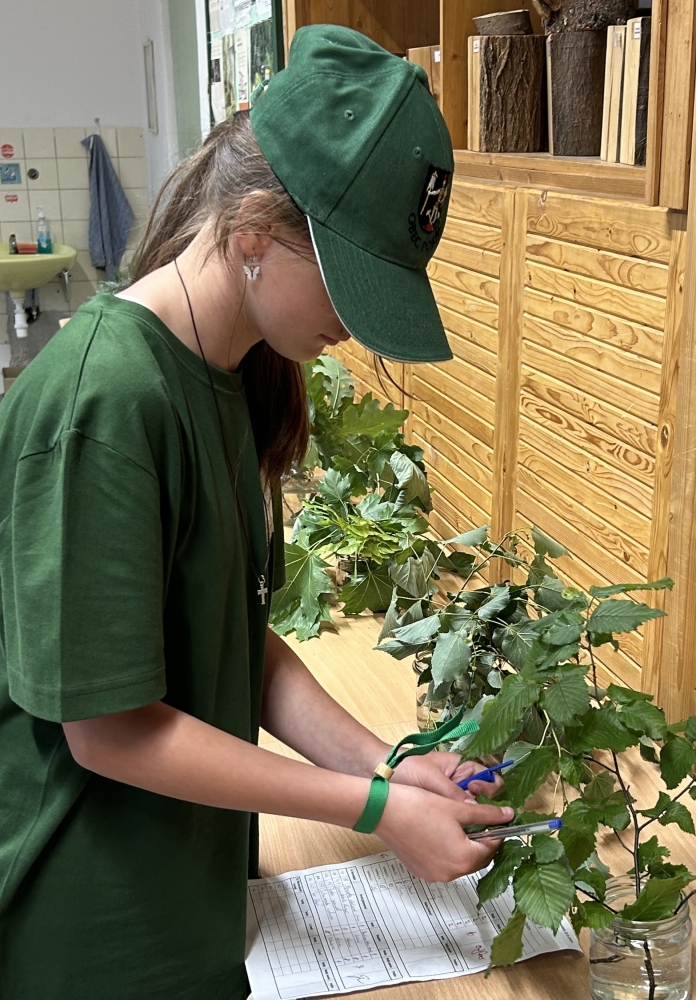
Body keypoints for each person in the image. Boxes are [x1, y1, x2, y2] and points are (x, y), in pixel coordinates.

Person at [0, 25, 513, 1000]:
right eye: (347, 283)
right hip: (91, 925)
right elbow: (107, 729)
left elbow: (236, 640)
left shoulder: (233, 374)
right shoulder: (106, 402)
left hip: (188, 894)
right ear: (250, 234)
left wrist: (388, 766)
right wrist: (370, 808)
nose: (356, 326)